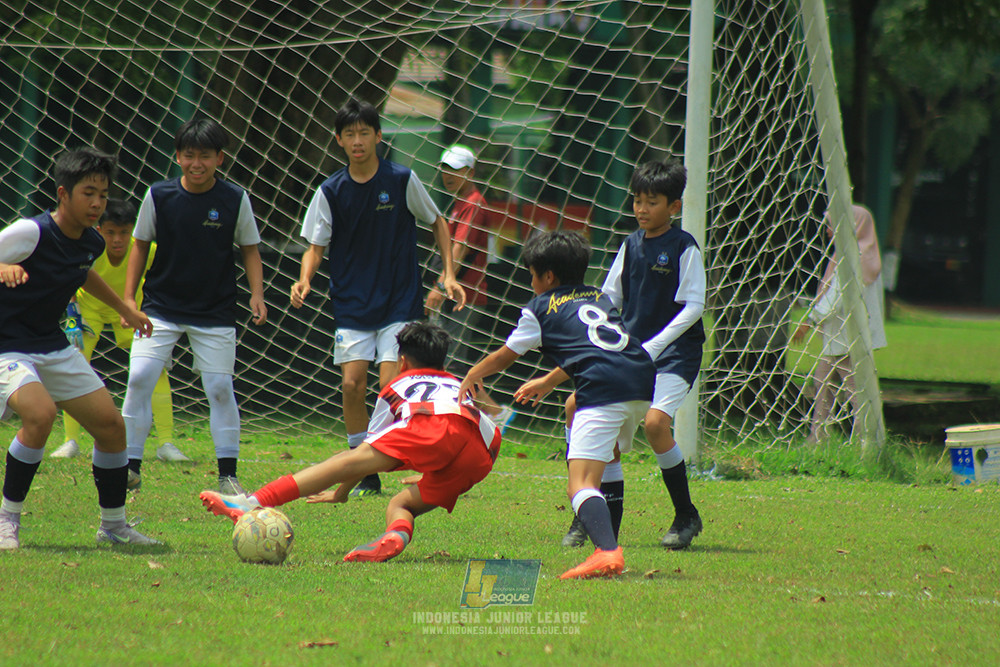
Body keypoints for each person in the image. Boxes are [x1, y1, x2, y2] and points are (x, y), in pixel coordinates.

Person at [199, 321, 500, 563]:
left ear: (402, 361)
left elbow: (362, 457)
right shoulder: (458, 380)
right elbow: (466, 426)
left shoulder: (397, 385)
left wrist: (342, 492)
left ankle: (251, 502)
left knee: (345, 460)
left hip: (430, 422)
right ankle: (395, 536)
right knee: (401, 503)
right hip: (481, 448)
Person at [520, 159, 706, 551]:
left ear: (673, 206)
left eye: (651, 201)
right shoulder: (630, 245)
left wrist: (652, 346)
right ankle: (589, 511)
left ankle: (686, 513)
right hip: (629, 358)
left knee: (656, 424)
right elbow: (609, 301)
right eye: (637, 200)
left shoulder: (683, 246)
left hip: (674, 356)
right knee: (576, 406)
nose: (641, 209)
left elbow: (693, 307)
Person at [290, 98, 465, 498]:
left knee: (391, 387)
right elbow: (315, 245)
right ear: (338, 140)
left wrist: (449, 273)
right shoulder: (331, 191)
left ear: (378, 136)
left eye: (364, 133)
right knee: (352, 386)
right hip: (352, 303)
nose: (357, 141)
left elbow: (437, 221)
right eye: (349, 134)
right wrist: (304, 280)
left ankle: (404, 460)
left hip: (398, 302)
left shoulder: (401, 179)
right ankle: (364, 466)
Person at [460, 230, 655, 580]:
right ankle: (606, 540)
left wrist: (472, 373)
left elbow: (506, 356)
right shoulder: (598, 297)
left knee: (578, 484)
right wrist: (548, 381)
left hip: (604, 388)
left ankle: (608, 552)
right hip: (640, 378)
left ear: (548, 276)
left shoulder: (539, 308)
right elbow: (601, 346)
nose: (531, 281)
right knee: (603, 449)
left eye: (532, 274)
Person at [0, 147, 159, 549]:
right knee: (40, 415)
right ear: (62, 193)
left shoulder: (92, 240)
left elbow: (82, 273)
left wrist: (126, 307)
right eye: (88, 193)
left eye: (103, 195)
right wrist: (3, 267)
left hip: (49, 344)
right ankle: (6, 520)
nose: (97, 203)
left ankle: (114, 526)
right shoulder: (29, 233)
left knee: (111, 426)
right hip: (7, 347)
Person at [121, 117, 268, 494]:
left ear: (220, 158)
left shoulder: (235, 198)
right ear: (178, 157)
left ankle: (228, 476)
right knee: (138, 380)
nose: (196, 164)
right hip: (160, 306)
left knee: (219, 387)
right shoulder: (159, 195)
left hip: (215, 310)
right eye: (189, 156)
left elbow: (250, 249)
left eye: (205, 156)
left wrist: (257, 293)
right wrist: (128, 299)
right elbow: (139, 245)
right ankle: (129, 468)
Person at [50, 199, 177, 472]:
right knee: (73, 365)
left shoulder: (146, 250)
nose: (117, 240)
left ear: (133, 231)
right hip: (89, 311)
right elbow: (71, 275)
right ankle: (70, 440)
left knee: (155, 369)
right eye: (110, 232)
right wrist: (72, 314)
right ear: (99, 230)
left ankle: (166, 443)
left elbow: (164, 276)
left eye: (124, 232)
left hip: (130, 314)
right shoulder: (88, 247)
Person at [425, 144, 516, 433]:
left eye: (456, 169)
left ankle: (493, 413)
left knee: (452, 362)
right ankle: (492, 413)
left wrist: (441, 285)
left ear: (471, 172)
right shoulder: (461, 202)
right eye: (445, 169)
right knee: (455, 361)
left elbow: (460, 248)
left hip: (466, 295)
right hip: (460, 294)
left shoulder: (473, 202)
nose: (448, 175)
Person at [793, 204, 887, 443]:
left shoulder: (856, 257)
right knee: (822, 385)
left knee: (854, 391)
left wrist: (810, 321)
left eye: (831, 224)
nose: (827, 230)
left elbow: (836, 296)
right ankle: (817, 438)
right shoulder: (846, 253)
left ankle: (867, 442)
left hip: (848, 336)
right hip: (837, 335)